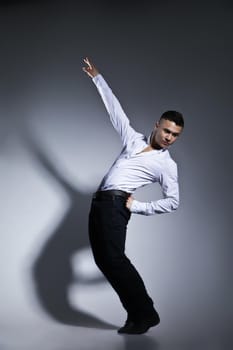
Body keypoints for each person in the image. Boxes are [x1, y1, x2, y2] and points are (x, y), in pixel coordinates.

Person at [82, 57, 184, 334]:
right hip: (100, 202)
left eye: (175, 135)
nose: (169, 137)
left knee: (114, 259)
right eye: (166, 130)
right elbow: (115, 110)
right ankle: (137, 315)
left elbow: (173, 201)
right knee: (104, 260)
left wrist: (139, 206)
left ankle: (146, 313)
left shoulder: (167, 164)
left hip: (116, 205)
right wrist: (97, 78)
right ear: (157, 125)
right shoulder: (133, 139)